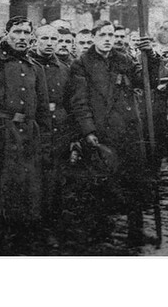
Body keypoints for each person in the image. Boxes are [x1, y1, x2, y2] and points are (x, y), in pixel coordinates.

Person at [68, 20, 160, 245]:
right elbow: (79, 101)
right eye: (103, 35)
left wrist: (150, 56)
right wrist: (88, 129)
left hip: (129, 130)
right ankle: (99, 231)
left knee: (135, 181)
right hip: (102, 131)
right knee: (102, 182)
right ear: (95, 36)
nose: (108, 39)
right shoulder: (82, 63)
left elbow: (147, 82)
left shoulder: (124, 59)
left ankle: (135, 231)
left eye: (111, 35)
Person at [0, 16, 50, 254]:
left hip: (28, 139)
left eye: (27, 33)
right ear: (6, 34)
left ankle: (15, 248)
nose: (22, 37)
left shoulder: (35, 67)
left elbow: (43, 110)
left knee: (24, 195)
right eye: (17, 32)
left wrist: (44, 144)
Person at [32, 23, 74, 248]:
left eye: (53, 40)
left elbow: (70, 100)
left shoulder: (64, 68)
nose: (49, 43)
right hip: (37, 128)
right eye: (44, 39)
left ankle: (53, 227)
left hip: (60, 128)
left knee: (57, 180)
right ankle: (35, 228)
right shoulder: (29, 66)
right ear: (35, 40)